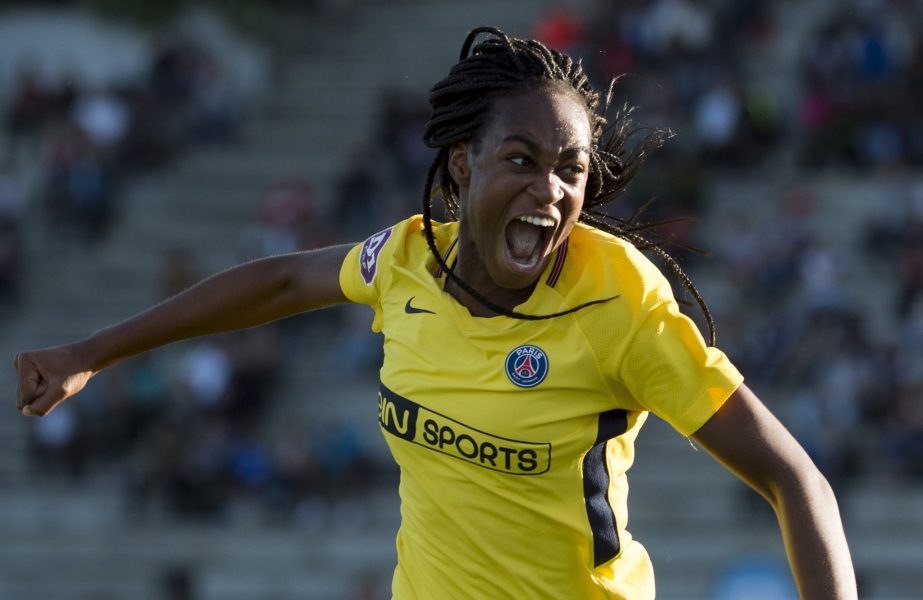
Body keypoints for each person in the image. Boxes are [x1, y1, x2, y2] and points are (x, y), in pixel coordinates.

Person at [13, 27, 856, 600]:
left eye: (569, 170)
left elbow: (793, 477)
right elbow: (280, 285)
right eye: (521, 160)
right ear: (461, 167)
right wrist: (95, 351)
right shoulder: (408, 259)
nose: (551, 190)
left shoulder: (619, 304)